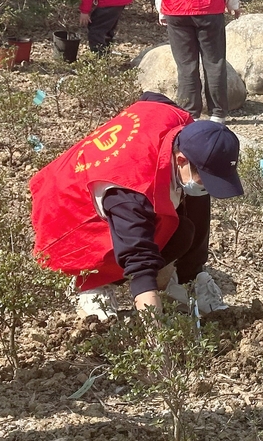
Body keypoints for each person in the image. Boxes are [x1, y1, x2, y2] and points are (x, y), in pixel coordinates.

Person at [29, 92, 244, 320]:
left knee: (191, 208)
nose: (209, 186)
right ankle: (91, 283)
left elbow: (151, 98)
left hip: (107, 190)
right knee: (152, 238)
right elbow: (139, 258)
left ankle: (188, 279)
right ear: (181, 159)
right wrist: (156, 329)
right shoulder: (132, 190)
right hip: (64, 217)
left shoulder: (183, 126)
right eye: (207, 177)